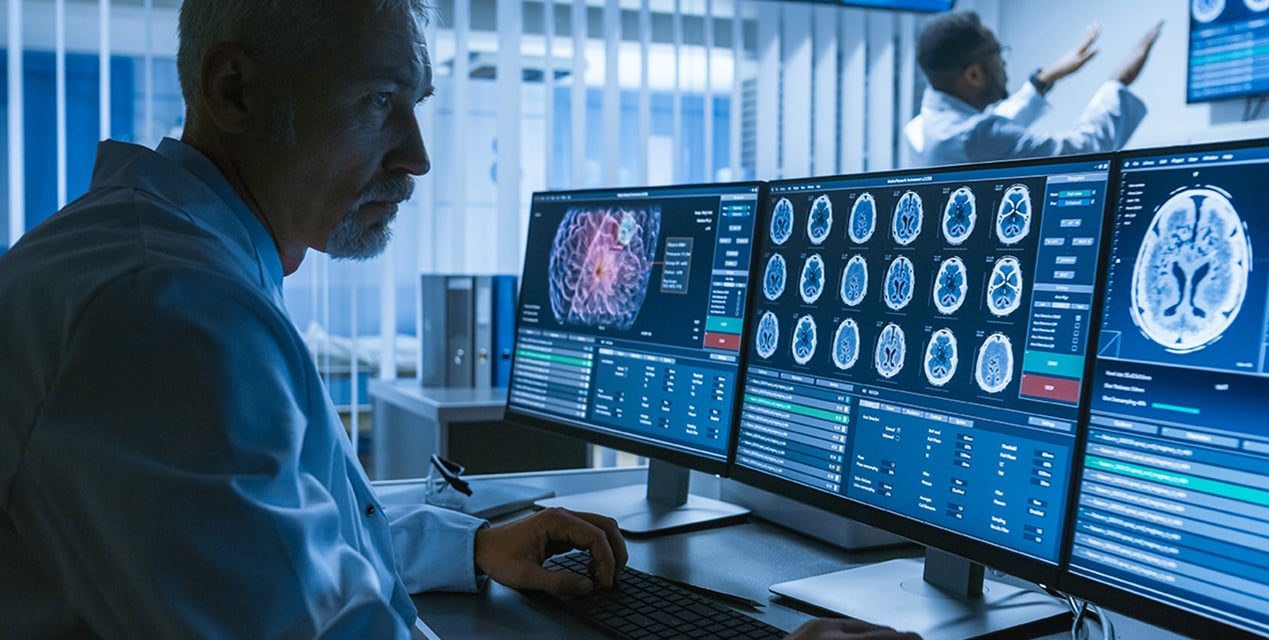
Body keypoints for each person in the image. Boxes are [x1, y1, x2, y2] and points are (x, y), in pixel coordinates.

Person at [0, 1, 921, 639]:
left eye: (417, 106)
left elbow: (279, 541)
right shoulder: (164, 314)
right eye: (378, 103)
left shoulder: (182, 271)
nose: (418, 155)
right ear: (236, 91)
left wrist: (470, 543)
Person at [904, 10, 1162, 168]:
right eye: (997, 53)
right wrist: (1118, 82)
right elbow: (1081, 152)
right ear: (973, 75)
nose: (1004, 62)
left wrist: (1046, 78)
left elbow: (995, 125)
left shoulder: (921, 128)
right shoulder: (974, 138)